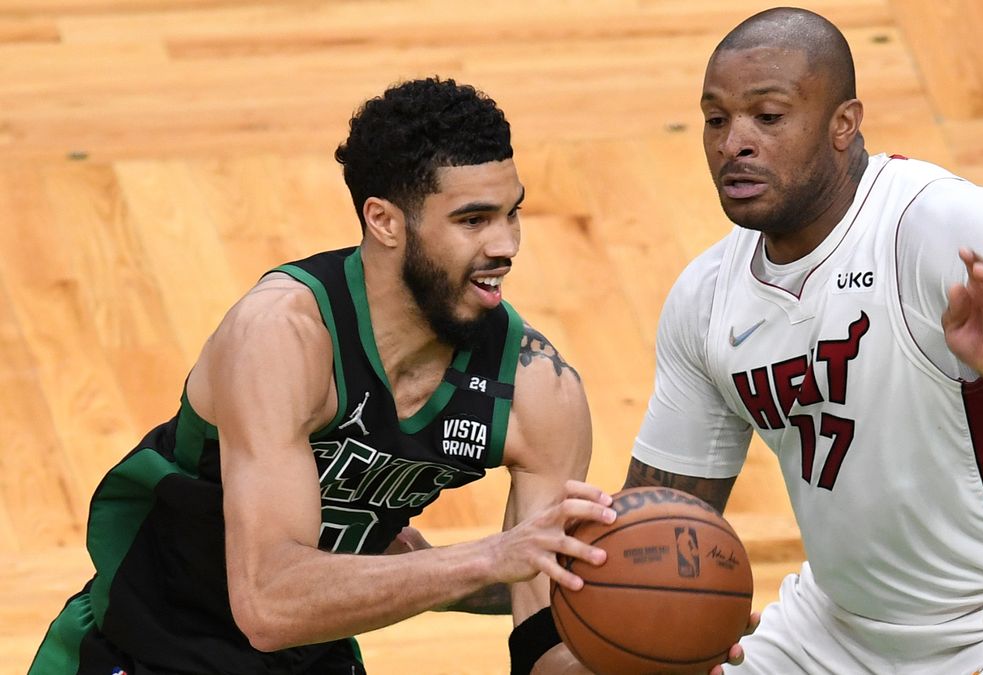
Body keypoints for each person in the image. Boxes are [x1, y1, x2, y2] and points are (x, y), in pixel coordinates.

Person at [30, 77, 619, 675]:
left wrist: (654, 643)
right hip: (139, 648)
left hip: (312, 658)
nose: (506, 244)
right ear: (384, 221)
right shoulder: (282, 337)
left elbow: (541, 635)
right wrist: (486, 558)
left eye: (512, 213)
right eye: (473, 220)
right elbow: (268, 606)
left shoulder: (539, 387)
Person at [625, 8, 983, 674]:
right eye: (717, 119)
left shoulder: (937, 222)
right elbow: (658, 525)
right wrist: (488, 565)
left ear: (844, 123)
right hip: (837, 629)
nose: (735, 143)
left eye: (769, 116)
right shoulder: (704, 298)